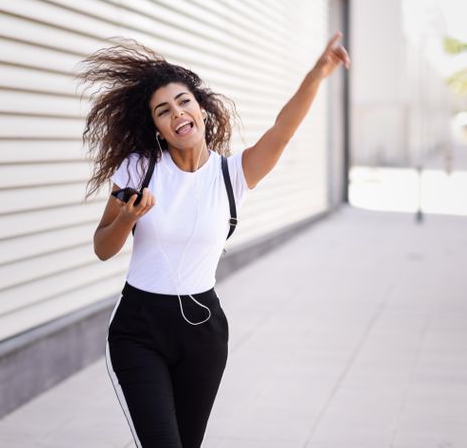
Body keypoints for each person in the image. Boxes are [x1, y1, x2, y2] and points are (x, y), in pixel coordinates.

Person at [78, 32, 350, 448]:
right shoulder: (139, 169)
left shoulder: (232, 176)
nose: (177, 114)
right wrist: (126, 219)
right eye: (163, 111)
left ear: (202, 110)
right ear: (157, 128)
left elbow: (283, 129)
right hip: (139, 329)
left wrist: (318, 73)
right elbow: (102, 247)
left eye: (184, 102)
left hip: (204, 330)